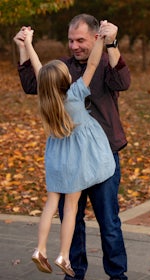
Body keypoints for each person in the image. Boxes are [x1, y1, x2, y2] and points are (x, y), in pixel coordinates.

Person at [13, 14, 131, 280]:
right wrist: (23, 47)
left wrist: (109, 44)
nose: (74, 46)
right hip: (73, 157)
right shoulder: (63, 71)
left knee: (108, 223)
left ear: (93, 37)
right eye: (70, 40)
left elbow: (122, 82)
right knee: (72, 219)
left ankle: (117, 274)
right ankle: (73, 272)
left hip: (100, 157)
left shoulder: (103, 63)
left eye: (81, 40)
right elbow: (33, 82)